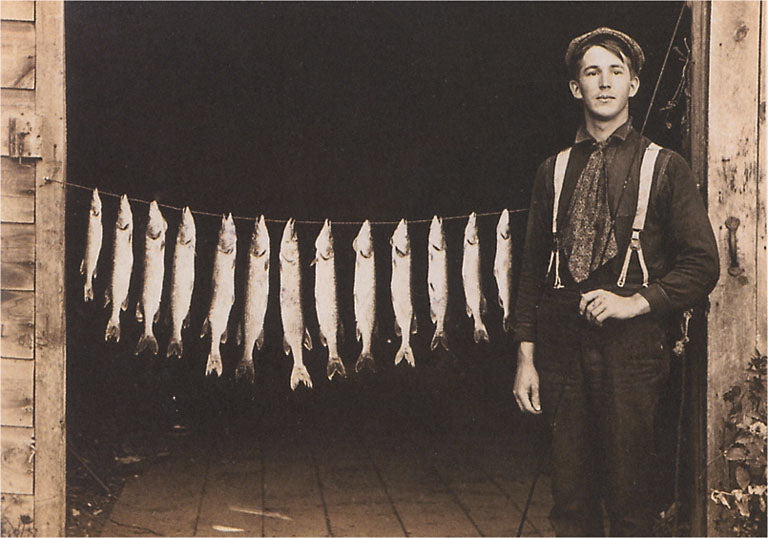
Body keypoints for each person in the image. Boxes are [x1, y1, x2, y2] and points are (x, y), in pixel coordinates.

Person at [512, 27, 719, 536]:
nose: (604, 83)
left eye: (616, 72)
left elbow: (702, 264)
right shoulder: (551, 171)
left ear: (634, 85)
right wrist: (525, 358)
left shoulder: (664, 167)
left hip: (633, 356)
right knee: (570, 502)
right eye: (592, 72)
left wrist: (637, 302)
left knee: (630, 502)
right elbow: (530, 272)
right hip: (562, 354)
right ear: (575, 88)